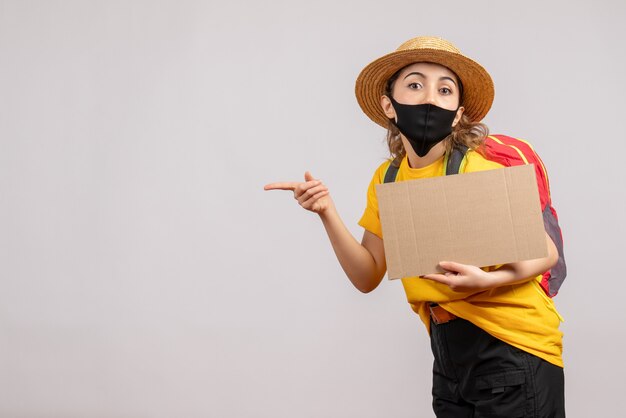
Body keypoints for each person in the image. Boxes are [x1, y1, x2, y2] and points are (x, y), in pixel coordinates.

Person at [264, 36, 565, 418]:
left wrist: (484, 282)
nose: (429, 98)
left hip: (515, 347)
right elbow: (368, 274)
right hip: (448, 354)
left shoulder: (476, 169)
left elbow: (545, 251)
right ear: (389, 105)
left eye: (444, 90)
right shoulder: (388, 179)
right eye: (415, 84)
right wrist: (326, 211)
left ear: (457, 113)